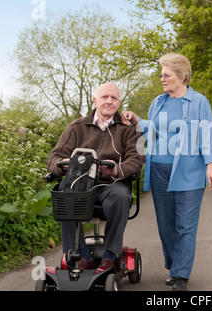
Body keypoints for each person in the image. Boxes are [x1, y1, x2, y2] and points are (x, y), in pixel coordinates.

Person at [122, 53, 212, 291]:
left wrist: (211, 167)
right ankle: (175, 266)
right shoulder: (159, 101)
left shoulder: (199, 102)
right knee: (166, 226)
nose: (162, 78)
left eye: (166, 75)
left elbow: (206, 135)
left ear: (182, 76)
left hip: (189, 172)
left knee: (185, 225)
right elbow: (154, 129)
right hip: (160, 171)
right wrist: (136, 119)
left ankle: (181, 276)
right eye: (161, 74)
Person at [47, 83, 144, 271]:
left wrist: (117, 169)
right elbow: (53, 158)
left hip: (111, 186)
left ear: (119, 102)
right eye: (104, 97)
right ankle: (80, 256)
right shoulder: (76, 127)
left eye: (114, 98)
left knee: (121, 196)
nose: (109, 101)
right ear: (95, 100)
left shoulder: (130, 128)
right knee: (63, 194)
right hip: (80, 186)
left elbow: (137, 158)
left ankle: (109, 256)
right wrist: (64, 164)